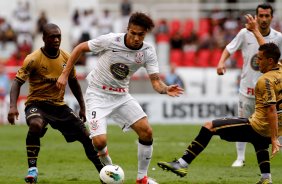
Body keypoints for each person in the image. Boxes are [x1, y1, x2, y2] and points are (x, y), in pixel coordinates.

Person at [56, 12, 184, 184]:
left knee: (147, 131)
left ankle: (142, 179)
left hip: (121, 95)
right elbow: (80, 48)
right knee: (99, 142)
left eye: (141, 34)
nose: (137, 38)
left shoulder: (148, 51)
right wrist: (65, 74)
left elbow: (155, 81)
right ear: (127, 29)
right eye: (133, 33)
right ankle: (111, 174)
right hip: (97, 93)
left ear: (145, 34)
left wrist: (165, 89)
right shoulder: (111, 40)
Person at [157, 15, 282, 184]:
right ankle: (266, 178)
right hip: (270, 129)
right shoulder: (279, 69)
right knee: (260, 142)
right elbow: (266, 49)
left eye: (260, 59)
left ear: (269, 61)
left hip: (259, 126)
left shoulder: (263, 81)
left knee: (209, 126)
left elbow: (271, 109)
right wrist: (255, 31)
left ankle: (182, 163)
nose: (257, 62)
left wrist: (274, 139)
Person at [7, 23, 103, 184]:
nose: (56, 39)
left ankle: (103, 172)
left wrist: (83, 106)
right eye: (52, 36)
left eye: (58, 36)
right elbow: (17, 83)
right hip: (37, 104)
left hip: (59, 106)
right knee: (36, 125)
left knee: (87, 137)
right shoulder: (33, 59)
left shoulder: (67, 57)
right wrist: (12, 107)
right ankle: (32, 170)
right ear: (44, 38)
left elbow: (74, 83)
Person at [216, 3, 282, 167]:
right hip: (247, 89)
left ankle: (275, 150)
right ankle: (240, 157)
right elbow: (229, 48)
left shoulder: (278, 37)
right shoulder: (245, 33)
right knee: (242, 122)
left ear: (272, 18)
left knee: (275, 122)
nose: (264, 19)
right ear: (257, 16)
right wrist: (221, 62)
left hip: (269, 91)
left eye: (267, 16)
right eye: (261, 15)